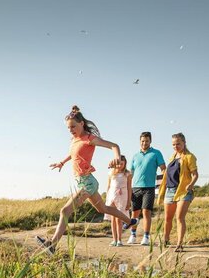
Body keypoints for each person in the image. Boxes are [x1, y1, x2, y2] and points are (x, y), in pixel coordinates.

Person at [36, 106, 136, 254]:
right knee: (103, 209)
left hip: (87, 182)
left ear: (81, 123)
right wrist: (62, 163)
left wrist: (116, 157)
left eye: (73, 126)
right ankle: (130, 221)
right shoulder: (75, 139)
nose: (70, 130)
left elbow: (114, 146)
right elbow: (73, 154)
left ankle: (52, 244)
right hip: (84, 182)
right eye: (68, 128)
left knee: (65, 211)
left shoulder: (89, 138)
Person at [158, 133, 198, 252]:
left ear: (184, 143)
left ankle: (179, 244)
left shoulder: (190, 157)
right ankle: (166, 240)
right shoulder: (172, 157)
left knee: (179, 217)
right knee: (167, 218)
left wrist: (191, 185)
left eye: (178, 144)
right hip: (170, 190)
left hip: (183, 190)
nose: (176, 146)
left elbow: (195, 174)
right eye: (173, 144)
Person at [124, 131, 166, 245]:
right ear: (140, 141)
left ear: (150, 141)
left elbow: (163, 169)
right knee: (135, 213)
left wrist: (162, 184)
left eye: (147, 141)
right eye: (142, 141)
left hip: (149, 187)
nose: (144, 143)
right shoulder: (135, 156)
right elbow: (130, 173)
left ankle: (146, 237)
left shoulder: (156, 153)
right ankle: (133, 235)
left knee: (146, 212)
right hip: (135, 187)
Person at [103, 158, 132, 246]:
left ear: (125, 164)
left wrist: (129, 201)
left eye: (122, 164)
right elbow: (108, 186)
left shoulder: (127, 174)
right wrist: (107, 199)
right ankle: (114, 240)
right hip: (112, 196)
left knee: (118, 218)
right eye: (118, 164)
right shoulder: (111, 173)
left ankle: (119, 240)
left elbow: (129, 188)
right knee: (112, 218)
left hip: (122, 196)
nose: (119, 166)